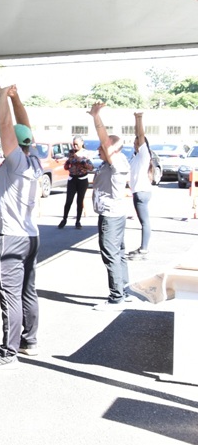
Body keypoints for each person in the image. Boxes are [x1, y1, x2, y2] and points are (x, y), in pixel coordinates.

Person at [0, 85, 41, 370]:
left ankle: (8, 351)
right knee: (27, 291)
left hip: (13, 239)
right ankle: (29, 341)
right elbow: (23, 126)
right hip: (30, 236)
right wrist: (17, 99)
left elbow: (6, 125)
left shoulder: (16, 160)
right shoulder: (34, 159)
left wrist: (3, 95)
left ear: (15, 145)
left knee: (10, 295)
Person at [89, 102, 132, 310]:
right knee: (118, 252)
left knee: (111, 253)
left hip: (111, 216)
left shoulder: (118, 162)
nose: (98, 148)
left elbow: (105, 141)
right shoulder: (107, 163)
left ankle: (117, 297)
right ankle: (124, 290)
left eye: (102, 147)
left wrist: (96, 117)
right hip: (112, 213)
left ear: (112, 148)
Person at [128, 112, 152, 261]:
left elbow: (140, 134)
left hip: (142, 192)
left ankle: (144, 250)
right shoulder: (136, 157)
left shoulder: (144, 154)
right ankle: (143, 248)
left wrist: (139, 119)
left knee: (145, 221)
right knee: (143, 221)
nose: (135, 143)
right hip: (138, 191)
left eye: (136, 142)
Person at [58, 136, 93, 229]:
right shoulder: (71, 152)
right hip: (72, 178)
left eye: (76, 144)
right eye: (73, 144)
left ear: (81, 143)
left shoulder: (86, 153)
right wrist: (67, 165)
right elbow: (67, 164)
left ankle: (78, 221)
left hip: (82, 179)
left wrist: (81, 161)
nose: (75, 146)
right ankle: (64, 219)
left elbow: (91, 167)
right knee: (68, 200)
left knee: (79, 200)